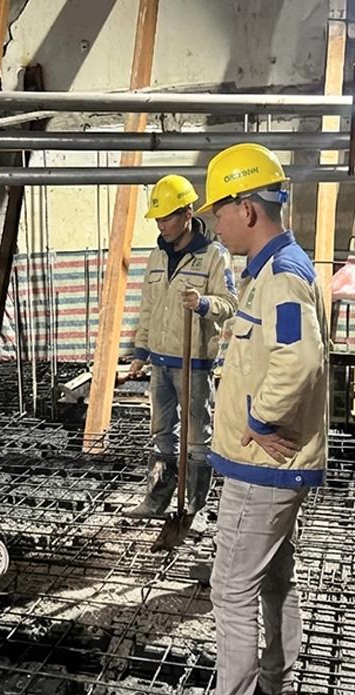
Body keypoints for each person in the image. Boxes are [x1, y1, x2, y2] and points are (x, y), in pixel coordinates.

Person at [154, 144, 329, 695]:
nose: (216, 223)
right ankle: (277, 686)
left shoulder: (281, 277)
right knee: (276, 576)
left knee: (231, 590)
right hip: (274, 469)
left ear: (247, 209)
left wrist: (259, 417)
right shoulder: (274, 270)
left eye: (219, 211)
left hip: (263, 468)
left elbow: (300, 360)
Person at [125, 174, 238, 520]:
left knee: (197, 437)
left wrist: (204, 304)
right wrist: (141, 352)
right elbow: (148, 308)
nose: (161, 225)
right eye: (157, 219)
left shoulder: (214, 256)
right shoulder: (157, 256)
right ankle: (156, 500)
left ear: (188, 213)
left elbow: (230, 303)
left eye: (167, 217)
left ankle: (193, 507)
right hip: (161, 363)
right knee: (161, 433)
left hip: (195, 363)